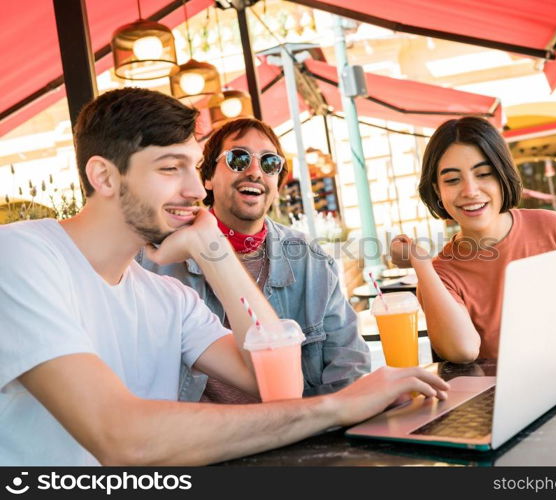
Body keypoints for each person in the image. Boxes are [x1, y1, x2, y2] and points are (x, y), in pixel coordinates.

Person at [0, 88, 449, 466]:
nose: (195, 190)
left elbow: (279, 386)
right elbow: (120, 437)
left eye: (192, 168)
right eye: (169, 167)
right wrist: (335, 407)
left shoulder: (165, 297)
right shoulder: (21, 256)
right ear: (103, 175)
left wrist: (215, 253)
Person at [139, 118, 370, 404]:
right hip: (202, 441)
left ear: (277, 183)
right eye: (238, 159)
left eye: (270, 163)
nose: (255, 172)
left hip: (297, 435)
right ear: (207, 178)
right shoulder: (153, 264)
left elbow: (350, 371)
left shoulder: (311, 261)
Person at [390, 116, 556, 363]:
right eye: (452, 180)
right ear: (437, 191)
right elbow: (462, 350)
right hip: (502, 399)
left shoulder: (553, 228)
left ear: (502, 176)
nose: (470, 191)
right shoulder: (441, 274)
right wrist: (421, 264)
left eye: (484, 174)